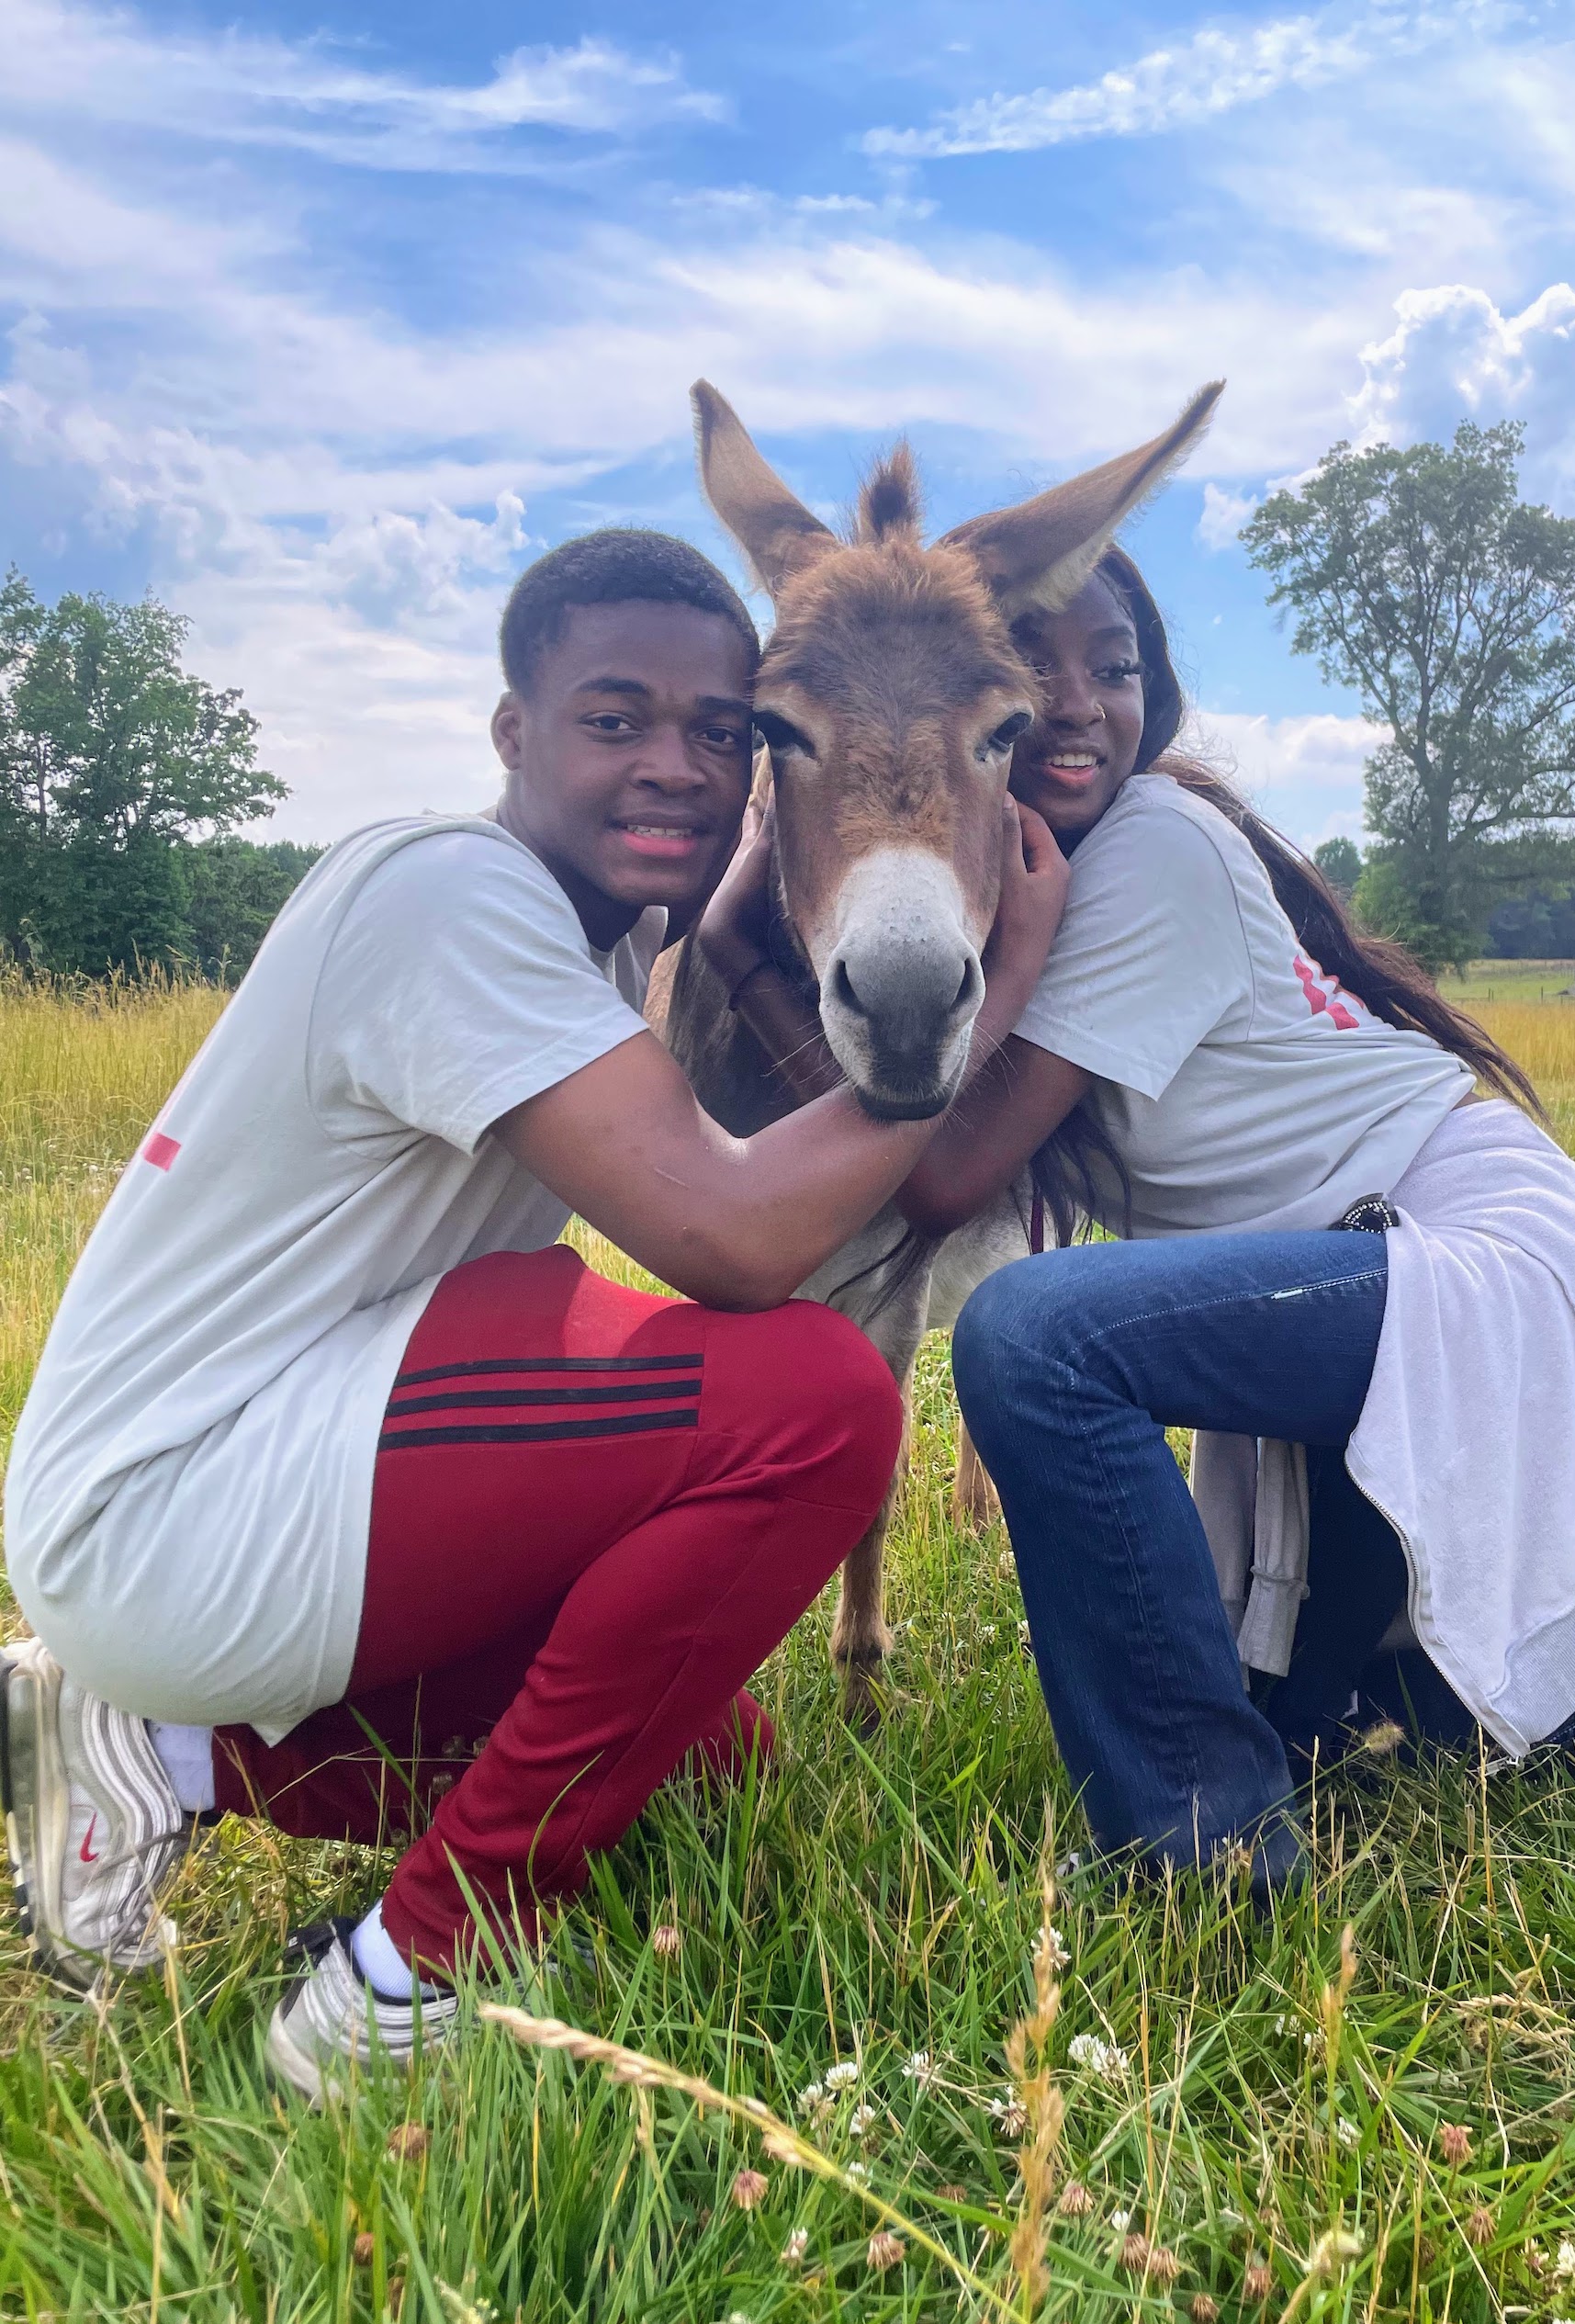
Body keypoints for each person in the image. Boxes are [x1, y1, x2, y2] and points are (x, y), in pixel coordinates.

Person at [0, 528, 1066, 2095]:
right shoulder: (455, 898)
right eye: (613, 717)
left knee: (699, 1764)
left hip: (231, 1490)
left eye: (723, 732)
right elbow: (734, 1236)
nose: (676, 768)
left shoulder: (594, 927)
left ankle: (157, 1750)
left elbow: (712, 951)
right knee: (816, 1401)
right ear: (512, 732)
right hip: (189, 1502)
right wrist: (1002, 981)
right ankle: (410, 1971)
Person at [888, 547, 1575, 1888]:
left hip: (1461, 1243)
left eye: (1111, 666)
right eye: (1024, 664)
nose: (1075, 701)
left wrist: (1028, 932)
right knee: (1455, 1717)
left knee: (1036, 1337)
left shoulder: (1147, 846)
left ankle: (1203, 1852)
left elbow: (941, 1171)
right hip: (1357, 1267)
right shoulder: (1037, 878)